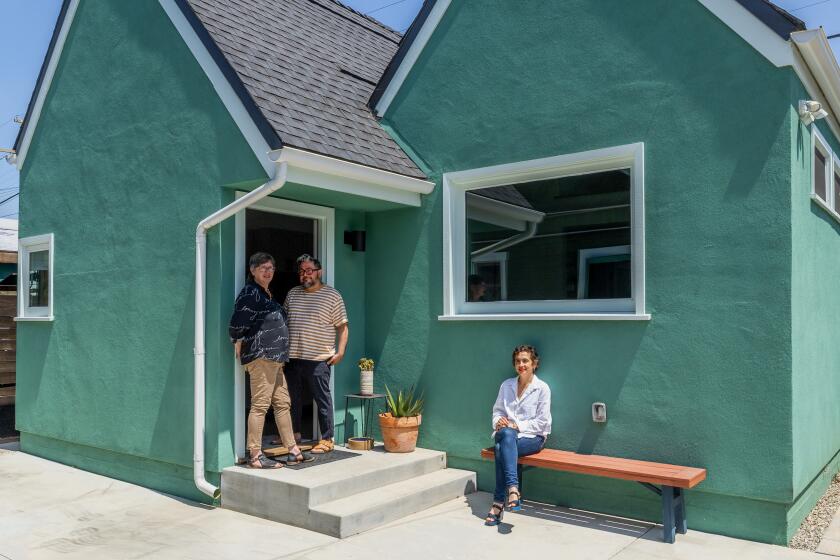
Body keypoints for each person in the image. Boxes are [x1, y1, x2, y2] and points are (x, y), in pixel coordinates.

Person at [229, 252, 313, 469]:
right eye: (263, 268)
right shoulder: (250, 293)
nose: (268, 271)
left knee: (283, 403)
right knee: (260, 406)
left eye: (271, 268)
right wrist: (237, 339)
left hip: (275, 359)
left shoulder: (265, 293)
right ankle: (255, 455)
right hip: (262, 356)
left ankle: (293, 450)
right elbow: (238, 321)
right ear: (253, 270)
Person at [284, 254, 349, 454]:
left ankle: (327, 438)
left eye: (309, 270)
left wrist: (341, 352)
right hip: (293, 356)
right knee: (291, 398)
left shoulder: (332, 295)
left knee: (322, 399)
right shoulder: (293, 294)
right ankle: (294, 433)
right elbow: (283, 322)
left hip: (319, 358)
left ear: (318, 271)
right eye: (302, 271)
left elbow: (343, 327)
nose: (305, 274)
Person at [485, 345, 552, 526]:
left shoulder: (542, 388)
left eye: (525, 361)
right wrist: (498, 421)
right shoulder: (506, 385)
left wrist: (517, 426)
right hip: (507, 435)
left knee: (501, 448)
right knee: (506, 435)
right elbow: (497, 411)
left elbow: (542, 422)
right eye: (517, 361)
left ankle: (498, 503)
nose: (521, 364)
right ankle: (513, 489)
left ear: (534, 363)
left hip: (533, 439)